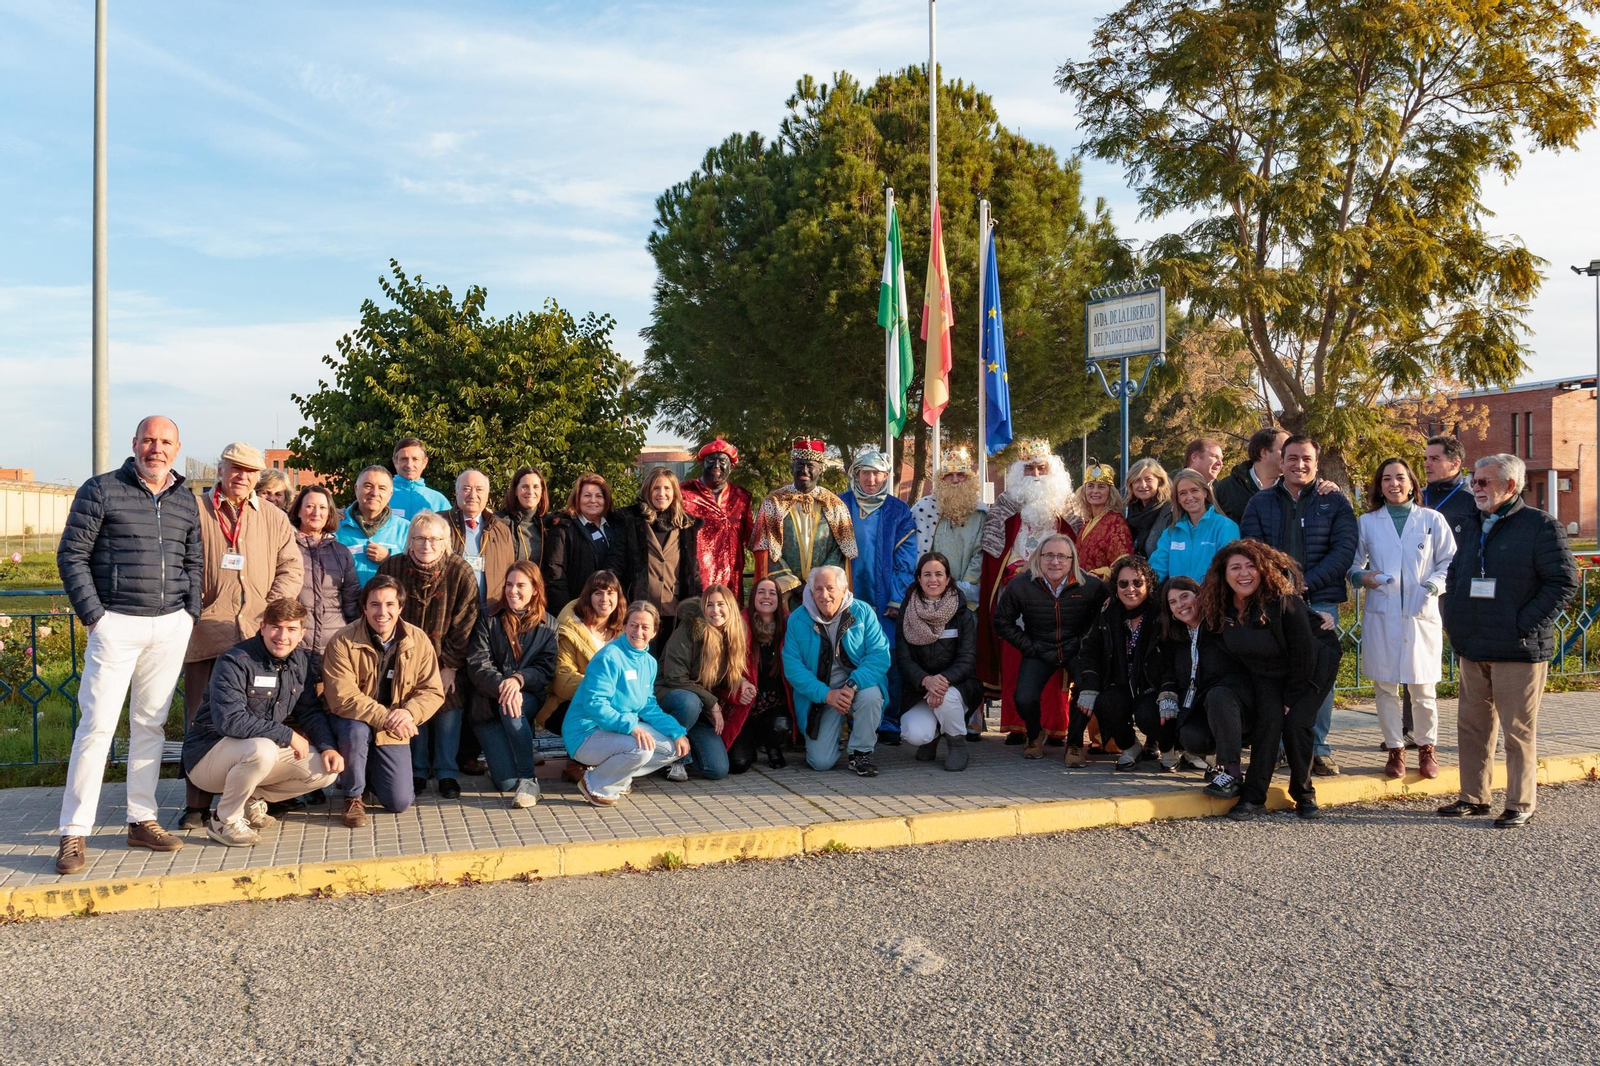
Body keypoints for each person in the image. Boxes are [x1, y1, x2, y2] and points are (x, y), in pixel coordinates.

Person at [53, 415, 201, 874]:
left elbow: (194, 558)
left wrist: (188, 613)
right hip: (115, 624)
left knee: (151, 726)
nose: (156, 448)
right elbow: (71, 554)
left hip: (168, 626)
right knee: (96, 728)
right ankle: (74, 832)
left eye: (165, 442)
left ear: (176, 449)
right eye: (148, 440)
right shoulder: (100, 490)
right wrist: (95, 617)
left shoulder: (185, 500)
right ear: (134, 443)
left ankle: (142, 818)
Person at [1438, 454, 1579, 828]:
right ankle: (1473, 796)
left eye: (1484, 482)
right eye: (1474, 480)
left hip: (1518, 649)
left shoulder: (1540, 526)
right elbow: (1455, 576)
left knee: (1517, 731)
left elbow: (1564, 582)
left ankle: (1520, 801)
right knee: (1472, 726)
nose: (1475, 488)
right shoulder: (1471, 524)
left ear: (1510, 486)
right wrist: (1453, 619)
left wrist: (1523, 625)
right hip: (1473, 644)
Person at [180, 442, 303, 830]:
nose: (241, 477)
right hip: (206, 633)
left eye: (250, 471)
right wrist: (194, 602)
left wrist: (271, 612)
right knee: (201, 719)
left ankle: (251, 800)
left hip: (255, 637)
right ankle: (196, 804)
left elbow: (291, 567)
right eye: (235, 468)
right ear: (220, 468)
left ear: (257, 476)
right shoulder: (194, 509)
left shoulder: (272, 516)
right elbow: (179, 562)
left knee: (256, 718)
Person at [180, 598, 343, 846]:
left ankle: (249, 800)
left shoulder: (300, 662)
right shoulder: (235, 660)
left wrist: (328, 746)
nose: (282, 636)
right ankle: (223, 821)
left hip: (252, 754)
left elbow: (309, 711)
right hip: (208, 755)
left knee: (324, 771)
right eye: (276, 627)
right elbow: (230, 721)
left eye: (291, 629)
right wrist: (287, 735)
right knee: (263, 749)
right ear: (263, 627)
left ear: (302, 633)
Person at [1240, 434, 1357, 775]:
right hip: (1273, 600)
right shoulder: (1260, 502)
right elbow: (1252, 548)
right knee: (1277, 672)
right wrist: (1280, 584)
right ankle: (1277, 744)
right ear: (1282, 461)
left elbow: (1344, 550)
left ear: (1316, 463)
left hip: (1320, 599)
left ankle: (1317, 746)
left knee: (1320, 676)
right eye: (1292, 458)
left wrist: (1305, 583)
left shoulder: (1334, 501)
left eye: (1306, 458)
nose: (1299, 464)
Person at [1199, 541, 1340, 821]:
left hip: (1311, 666)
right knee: (1268, 723)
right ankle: (1253, 798)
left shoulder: (1281, 601)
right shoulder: (1219, 607)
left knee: (1296, 724)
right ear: (1223, 574)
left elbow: (1304, 653)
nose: (1244, 574)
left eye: (1251, 566)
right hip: (1265, 672)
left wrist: (1291, 698)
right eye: (1235, 567)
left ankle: (1304, 794)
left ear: (1263, 570)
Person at [1349, 457, 1456, 779]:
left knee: (1423, 688)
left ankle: (1427, 749)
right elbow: (1353, 565)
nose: (1393, 484)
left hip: (1421, 612)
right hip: (1382, 613)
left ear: (1412, 483)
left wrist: (1434, 584)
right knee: (1385, 688)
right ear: (1378, 486)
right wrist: (1366, 578)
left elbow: (1450, 561)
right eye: (1386, 479)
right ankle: (1395, 749)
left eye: (1400, 478)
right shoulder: (1367, 522)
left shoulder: (1432, 519)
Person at [322, 575, 446, 826]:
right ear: (364, 607)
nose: (383, 612)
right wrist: (388, 718)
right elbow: (342, 696)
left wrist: (410, 713)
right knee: (356, 732)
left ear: (400, 608)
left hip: (394, 724)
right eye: (375, 604)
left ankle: (368, 772)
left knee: (399, 802)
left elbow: (432, 690)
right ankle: (353, 796)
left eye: (390, 605)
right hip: (353, 719)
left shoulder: (418, 639)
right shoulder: (342, 640)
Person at [979, 439, 1077, 744]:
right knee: (1015, 660)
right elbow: (995, 555)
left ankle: (1056, 724)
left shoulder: (1069, 507)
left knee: (1056, 660)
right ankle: (1018, 725)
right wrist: (1017, 569)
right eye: (1030, 468)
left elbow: (1078, 552)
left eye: (1041, 468)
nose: (1036, 474)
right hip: (1017, 594)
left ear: (1053, 471)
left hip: (1057, 596)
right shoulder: (1004, 507)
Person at [377, 511, 479, 800]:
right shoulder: (392, 567)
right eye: (420, 538)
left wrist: (451, 665)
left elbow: (466, 620)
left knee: (449, 706)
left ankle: (447, 772)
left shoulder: (460, 571)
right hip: (403, 657)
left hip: (448, 658)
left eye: (435, 539)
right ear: (410, 541)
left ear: (446, 543)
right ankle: (418, 771)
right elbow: (382, 612)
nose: (427, 545)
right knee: (412, 707)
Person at [562, 601, 691, 807]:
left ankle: (618, 778)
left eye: (645, 627)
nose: (638, 631)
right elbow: (595, 704)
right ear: (624, 626)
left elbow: (648, 706)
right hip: (586, 734)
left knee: (674, 749)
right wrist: (631, 728)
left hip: (620, 731)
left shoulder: (649, 662)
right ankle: (595, 784)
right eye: (633, 624)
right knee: (641, 748)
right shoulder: (609, 657)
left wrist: (677, 731)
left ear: (655, 632)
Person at [992, 534, 1106, 760]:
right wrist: (1029, 646)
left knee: (1085, 692)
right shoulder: (1021, 585)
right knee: (1024, 698)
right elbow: (1002, 622)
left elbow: (1105, 619)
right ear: (1038, 558)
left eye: (1062, 556)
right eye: (1049, 556)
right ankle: (1034, 735)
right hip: (1039, 648)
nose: (1055, 562)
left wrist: (1083, 643)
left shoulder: (1091, 586)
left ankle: (1074, 743)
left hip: (1076, 649)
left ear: (1072, 559)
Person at [782, 565, 891, 775]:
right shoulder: (797, 619)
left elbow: (879, 655)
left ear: (844, 589)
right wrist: (826, 694)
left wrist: (852, 684)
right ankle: (835, 737)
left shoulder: (863, 612)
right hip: (822, 696)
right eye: (818, 589)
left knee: (871, 696)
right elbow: (793, 668)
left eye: (830, 588)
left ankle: (860, 753)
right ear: (811, 592)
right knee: (820, 762)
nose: (824, 595)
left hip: (857, 687)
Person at [840, 449, 918, 742]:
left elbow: (907, 558)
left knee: (888, 659)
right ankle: (849, 719)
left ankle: (887, 722)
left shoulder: (898, 510)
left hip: (886, 601)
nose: (871, 479)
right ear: (856, 474)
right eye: (865, 472)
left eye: (878, 474)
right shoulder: (840, 504)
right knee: (848, 655)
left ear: (886, 476)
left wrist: (898, 598)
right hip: (848, 597)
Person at [465, 561, 557, 809]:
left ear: (535, 589)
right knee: (505, 783)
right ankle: (517, 752)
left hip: (525, 699)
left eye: (520, 585)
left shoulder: (549, 625)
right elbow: (477, 663)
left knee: (511, 707)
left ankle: (529, 781)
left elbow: (545, 669)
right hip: (487, 706)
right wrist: (504, 685)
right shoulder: (487, 617)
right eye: (508, 584)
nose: (512, 591)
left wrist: (518, 680)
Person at [1155, 576, 1252, 790]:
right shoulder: (1175, 636)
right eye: (1173, 602)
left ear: (1198, 596)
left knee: (1218, 696)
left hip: (1237, 702)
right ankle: (1215, 763)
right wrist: (1169, 692)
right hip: (1201, 705)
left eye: (1185, 597)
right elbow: (1170, 672)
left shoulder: (1220, 623)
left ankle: (1231, 772)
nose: (1181, 605)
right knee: (1191, 736)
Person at [1076, 554, 1169, 772]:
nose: (1131, 589)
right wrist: (1089, 684)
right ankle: (1130, 746)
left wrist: (1169, 689)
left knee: (1150, 714)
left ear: (1149, 584)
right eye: (1123, 583)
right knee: (1104, 703)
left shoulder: (1161, 614)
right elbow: (1090, 649)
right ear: (1115, 586)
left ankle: (1162, 745)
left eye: (1138, 582)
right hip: (1119, 682)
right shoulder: (1108, 613)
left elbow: (1172, 657)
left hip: (1151, 686)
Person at [895, 552, 981, 771]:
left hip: (956, 687)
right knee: (915, 734)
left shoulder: (962, 613)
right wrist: (926, 681)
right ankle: (931, 737)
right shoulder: (906, 612)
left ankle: (957, 745)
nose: (933, 580)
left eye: (939, 574)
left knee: (946, 700)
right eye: (927, 574)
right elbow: (903, 659)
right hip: (920, 689)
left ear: (948, 578)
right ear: (919, 579)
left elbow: (967, 658)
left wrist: (941, 682)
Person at [657, 585, 752, 781]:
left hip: (698, 708)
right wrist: (712, 703)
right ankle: (676, 758)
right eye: (709, 605)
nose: (715, 610)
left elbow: (720, 676)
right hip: (670, 696)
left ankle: (676, 745)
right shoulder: (689, 629)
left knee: (717, 769)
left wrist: (741, 681)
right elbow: (674, 677)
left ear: (730, 607)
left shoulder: (732, 634)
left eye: (720, 604)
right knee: (689, 702)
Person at [543, 570, 628, 787]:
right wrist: (606, 692)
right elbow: (563, 681)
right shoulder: (569, 628)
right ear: (588, 596)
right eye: (598, 593)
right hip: (566, 705)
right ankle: (578, 762)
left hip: (612, 703)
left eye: (611, 593)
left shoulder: (625, 630)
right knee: (595, 711)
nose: (605, 599)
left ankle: (609, 764)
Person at [753, 436, 858, 609]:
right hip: (783, 591)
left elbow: (841, 550)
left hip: (823, 592)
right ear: (792, 467)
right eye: (800, 465)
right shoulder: (773, 502)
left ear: (820, 469)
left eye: (811, 466)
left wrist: (817, 583)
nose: (805, 471)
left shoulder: (835, 505)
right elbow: (766, 548)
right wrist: (794, 585)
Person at [619, 466, 704, 652]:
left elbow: (693, 571)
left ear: (674, 493)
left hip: (675, 613)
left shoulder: (686, 526)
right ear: (648, 490)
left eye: (667, 488)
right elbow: (618, 562)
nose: (661, 493)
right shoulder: (630, 521)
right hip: (641, 613)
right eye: (656, 488)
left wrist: (697, 604)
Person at [729, 576, 794, 773]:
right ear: (753, 597)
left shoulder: (789, 623)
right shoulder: (739, 623)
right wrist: (739, 681)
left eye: (772, 593)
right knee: (738, 763)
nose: (767, 597)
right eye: (761, 592)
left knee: (781, 725)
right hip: (746, 704)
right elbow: (727, 664)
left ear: (779, 598)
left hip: (776, 703)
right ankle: (753, 741)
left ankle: (772, 743)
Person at [910, 445, 987, 610]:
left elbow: (980, 552)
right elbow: (913, 550)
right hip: (930, 593)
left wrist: (964, 587)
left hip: (968, 597)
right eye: (948, 475)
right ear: (941, 479)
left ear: (969, 478)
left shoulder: (980, 513)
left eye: (960, 475)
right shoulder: (924, 508)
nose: (955, 480)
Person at [681, 437, 756, 604]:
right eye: (710, 460)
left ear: (731, 466)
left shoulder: (742, 497)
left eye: (722, 461)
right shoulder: (684, 492)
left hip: (732, 581)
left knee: (730, 626)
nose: (716, 465)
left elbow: (752, 538)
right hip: (696, 579)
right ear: (702, 463)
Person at [290, 485, 360, 659]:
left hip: (334, 646)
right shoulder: (286, 547)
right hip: (295, 645)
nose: (316, 512)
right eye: (309, 506)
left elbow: (351, 601)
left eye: (322, 507)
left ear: (329, 513)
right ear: (298, 511)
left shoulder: (341, 552)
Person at [544, 473, 631, 612]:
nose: (593, 501)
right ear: (577, 499)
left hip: (612, 609)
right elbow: (555, 575)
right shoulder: (563, 529)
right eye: (587, 495)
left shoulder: (617, 526)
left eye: (599, 496)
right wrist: (566, 612)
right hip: (578, 609)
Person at [1150, 469, 1241, 583]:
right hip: (1180, 598)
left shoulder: (1225, 527)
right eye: (1183, 493)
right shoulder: (1171, 532)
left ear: (1205, 492)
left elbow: (1229, 570)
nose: (1189, 497)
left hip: (1212, 598)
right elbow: (1155, 573)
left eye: (1194, 490)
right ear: (1177, 499)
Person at [443, 469, 515, 609]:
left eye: (479, 489)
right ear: (456, 493)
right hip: (450, 612)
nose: (473, 495)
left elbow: (510, 573)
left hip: (490, 613)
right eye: (466, 489)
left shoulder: (501, 530)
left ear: (487, 495)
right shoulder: (439, 524)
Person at [335, 466, 411, 587]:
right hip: (345, 604)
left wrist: (389, 558)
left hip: (388, 605)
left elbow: (416, 572)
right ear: (356, 489)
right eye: (368, 486)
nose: (375, 493)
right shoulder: (335, 527)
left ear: (390, 494)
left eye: (382, 488)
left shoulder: (406, 529)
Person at [1071, 459, 1134, 579]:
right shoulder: (1087, 523)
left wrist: (1097, 575)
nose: (1095, 491)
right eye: (1090, 486)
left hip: (1101, 590)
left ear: (1110, 492)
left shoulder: (1116, 522)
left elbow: (1123, 563)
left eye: (1101, 487)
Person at [1214, 427, 1289, 524]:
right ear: (1264, 453)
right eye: (1284, 450)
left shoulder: (1294, 489)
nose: (1289, 455)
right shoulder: (1226, 488)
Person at [1421, 434, 1478, 538]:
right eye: (1426, 459)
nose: (1426, 464)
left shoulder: (1473, 501)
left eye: (1434, 459)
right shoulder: (1416, 497)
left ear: (1455, 464)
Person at [500, 465, 552, 567]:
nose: (530, 492)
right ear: (515, 491)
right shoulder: (500, 522)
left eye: (536, 487)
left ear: (542, 492)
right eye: (525, 487)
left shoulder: (549, 525)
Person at [389, 437, 451, 520]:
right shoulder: (382, 496)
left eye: (415, 459)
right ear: (395, 462)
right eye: (404, 459)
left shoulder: (438, 501)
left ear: (424, 462)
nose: (409, 465)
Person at [1123, 457, 1174, 558]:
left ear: (1160, 481)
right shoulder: (1132, 511)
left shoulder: (1170, 511)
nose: (1143, 485)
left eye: (1148, 479)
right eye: (1137, 480)